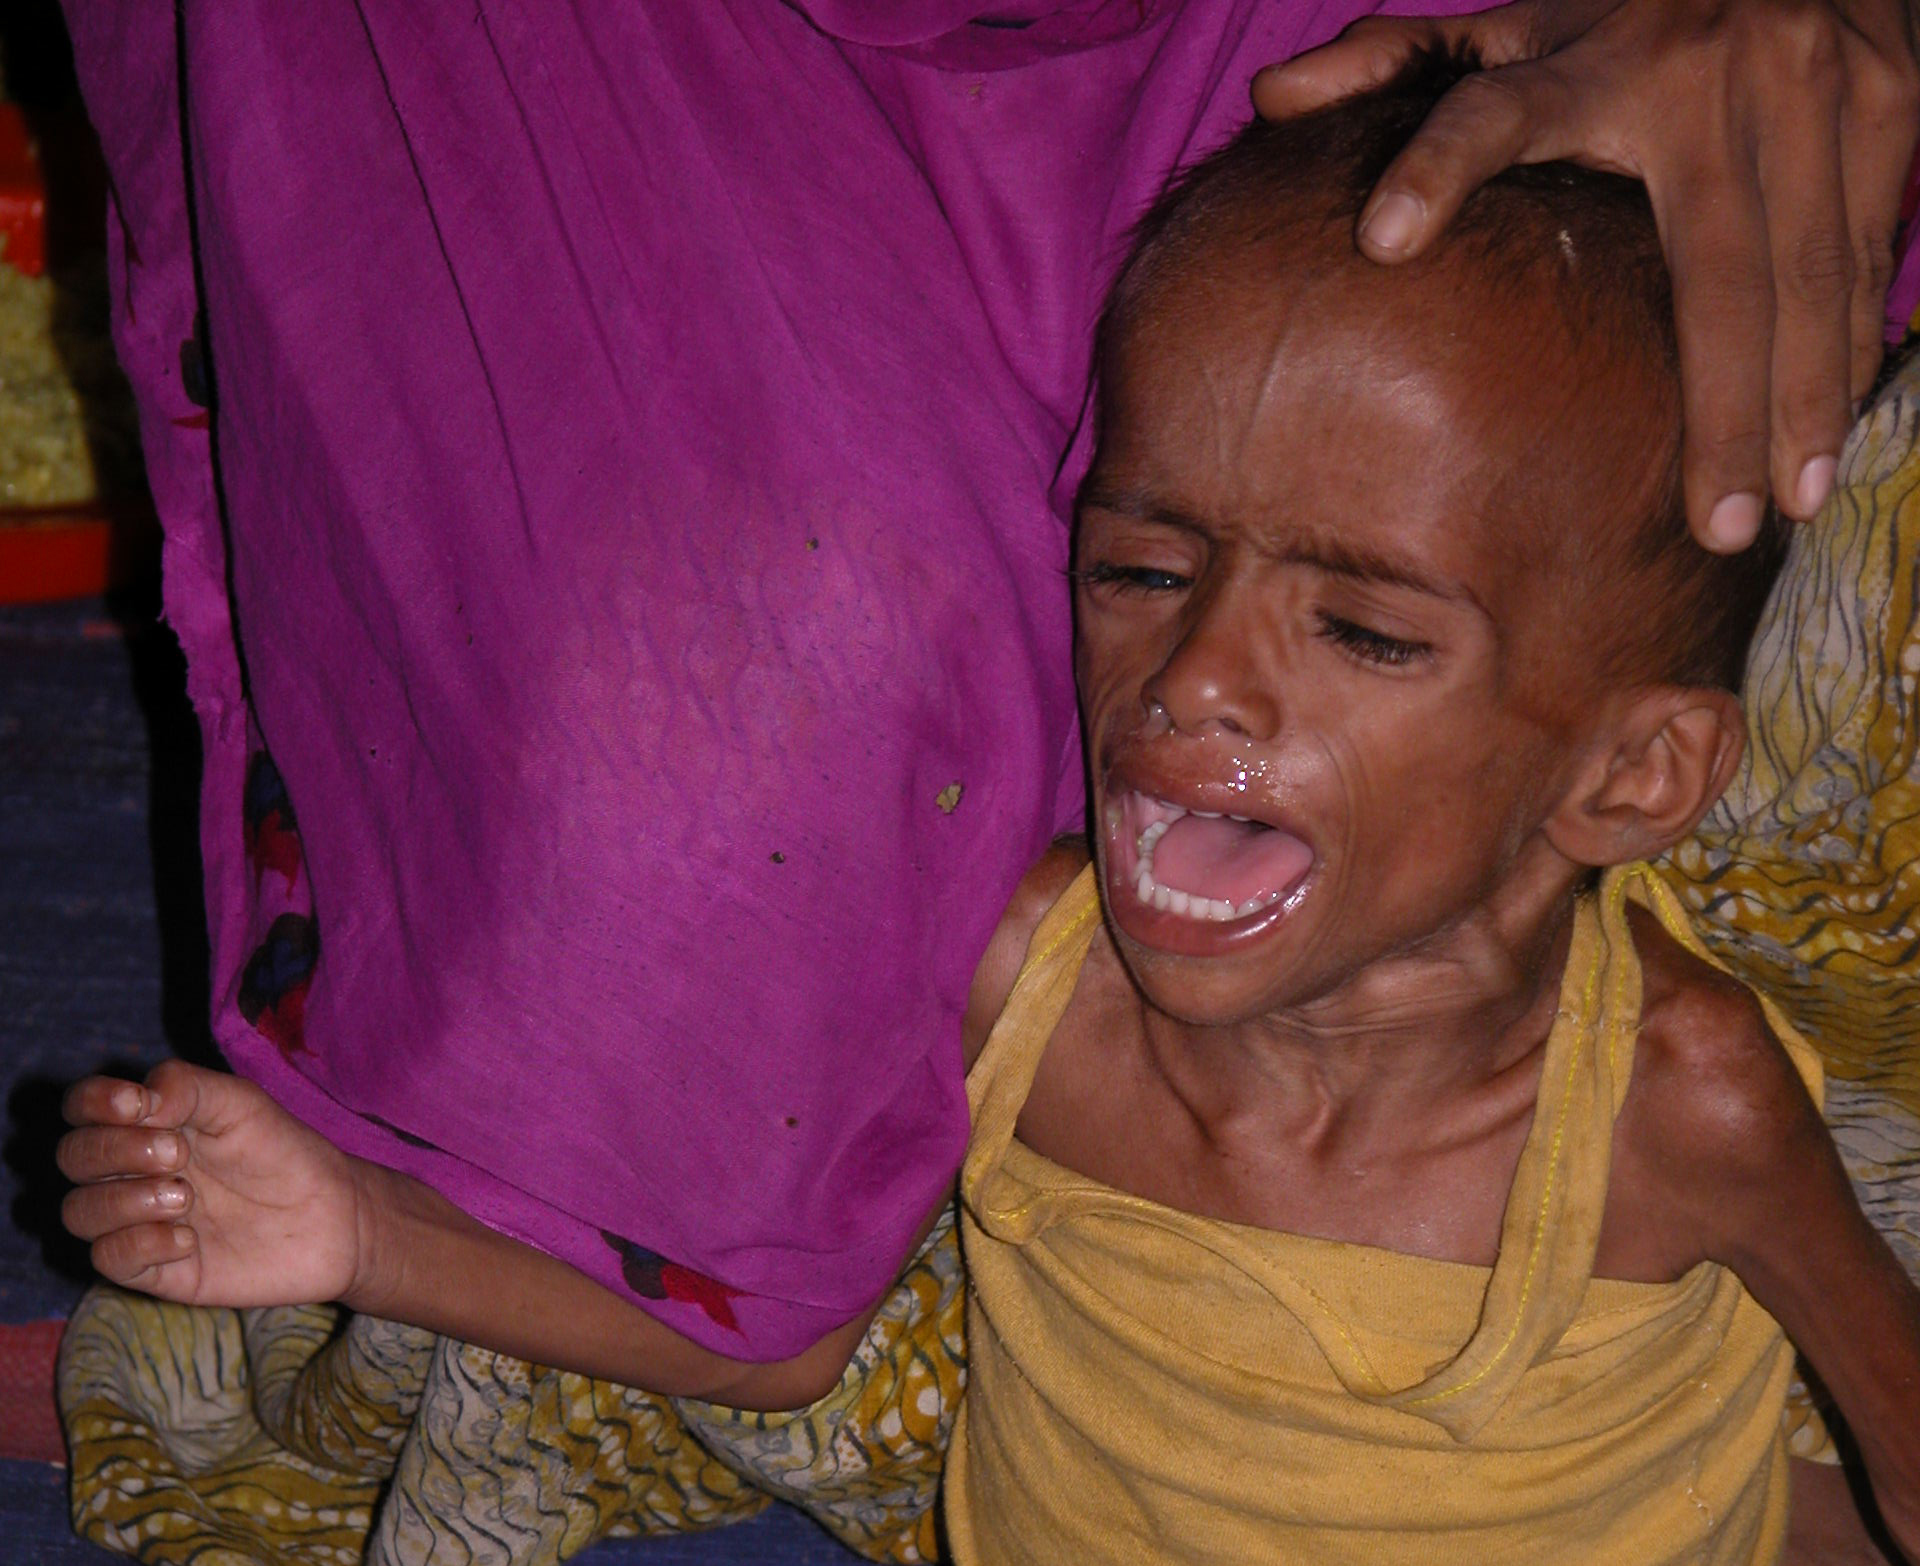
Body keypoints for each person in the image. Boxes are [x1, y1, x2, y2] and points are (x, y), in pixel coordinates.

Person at [60, 57, 1920, 1565]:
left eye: (1360, 626)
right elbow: (780, 1332)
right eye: (1137, 570)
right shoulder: (1034, 977)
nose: (1195, 681)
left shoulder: (1675, 1103)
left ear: (1636, 772)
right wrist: (353, 1239)